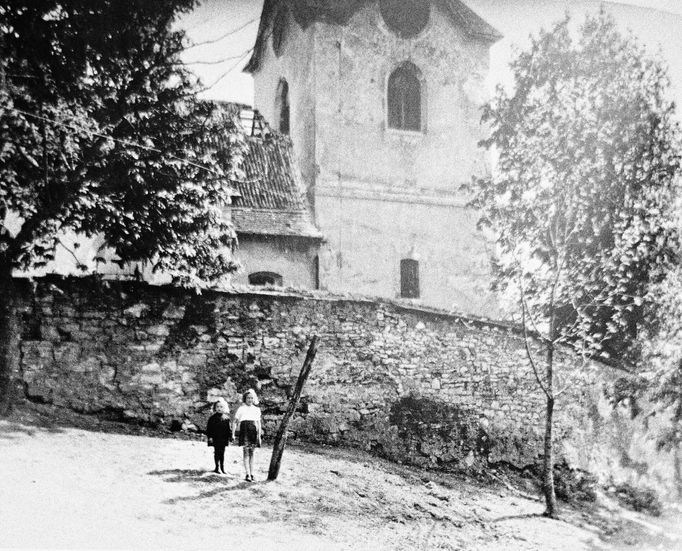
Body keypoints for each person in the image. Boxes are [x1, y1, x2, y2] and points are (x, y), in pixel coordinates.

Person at [232, 389, 262, 482]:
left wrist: (259, 436)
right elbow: (235, 421)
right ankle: (247, 474)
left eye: (251, 398)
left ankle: (252, 473)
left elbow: (259, 423)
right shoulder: (241, 409)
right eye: (248, 398)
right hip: (245, 431)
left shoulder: (257, 409)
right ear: (245, 399)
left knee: (252, 453)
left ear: (254, 399)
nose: (250, 400)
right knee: (246, 452)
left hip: (254, 432)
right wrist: (233, 434)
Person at [205, 398, 232, 474]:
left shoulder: (226, 418)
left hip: (223, 438)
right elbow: (209, 429)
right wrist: (210, 437)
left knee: (222, 452)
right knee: (217, 452)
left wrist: (230, 436)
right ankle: (217, 467)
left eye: (221, 407)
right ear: (215, 408)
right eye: (217, 407)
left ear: (224, 408)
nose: (219, 408)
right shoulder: (212, 418)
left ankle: (222, 467)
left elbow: (229, 429)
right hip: (215, 438)